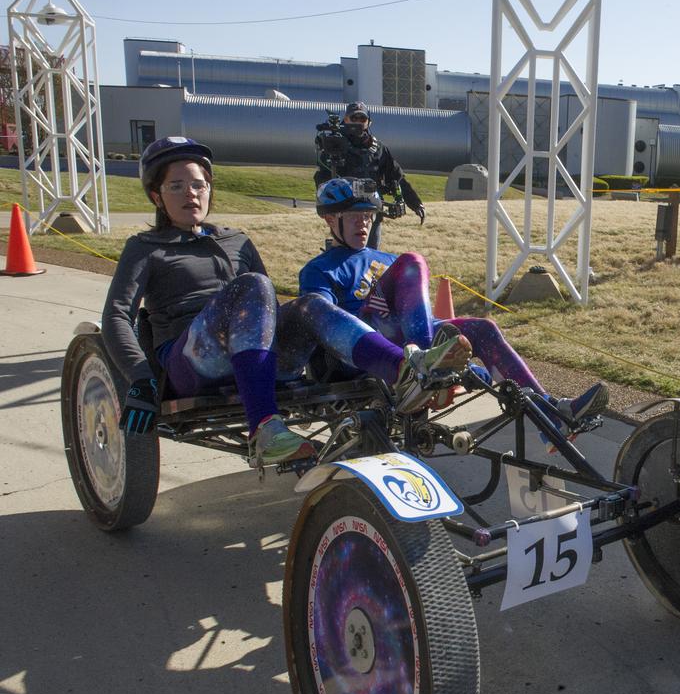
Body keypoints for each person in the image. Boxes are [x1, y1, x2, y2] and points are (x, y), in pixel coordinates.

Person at [103, 138, 469, 467]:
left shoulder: (237, 241)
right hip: (193, 360)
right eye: (176, 186)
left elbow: (268, 311)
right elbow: (117, 316)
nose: (191, 195)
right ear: (157, 196)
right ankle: (264, 429)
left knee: (308, 304)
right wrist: (139, 378)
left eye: (199, 184)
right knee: (253, 285)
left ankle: (405, 369)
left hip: (255, 353)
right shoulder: (145, 249)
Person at [299, 177, 609, 440]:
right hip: (363, 346)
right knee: (413, 261)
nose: (363, 223)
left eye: (368, 216)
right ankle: (426, 363)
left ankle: (554, 416)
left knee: (483, 329)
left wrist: (454, 344)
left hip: (405, 339)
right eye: (353, 217)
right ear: (330, 219)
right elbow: (321, 325)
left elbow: (416, 312)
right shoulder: (320, 270)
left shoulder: (385, 259)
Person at [314, 101, 424, 250]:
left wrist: (415, 203)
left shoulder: (378, 148)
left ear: (369, 122)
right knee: (342, 255)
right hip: (344, 213)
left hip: (372, 212)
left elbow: (396, 177)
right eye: (354, 118)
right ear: (345, 119)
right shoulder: (334, 145)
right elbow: (322, 179)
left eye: (362, 119)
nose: (358, 122)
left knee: (369, 257)